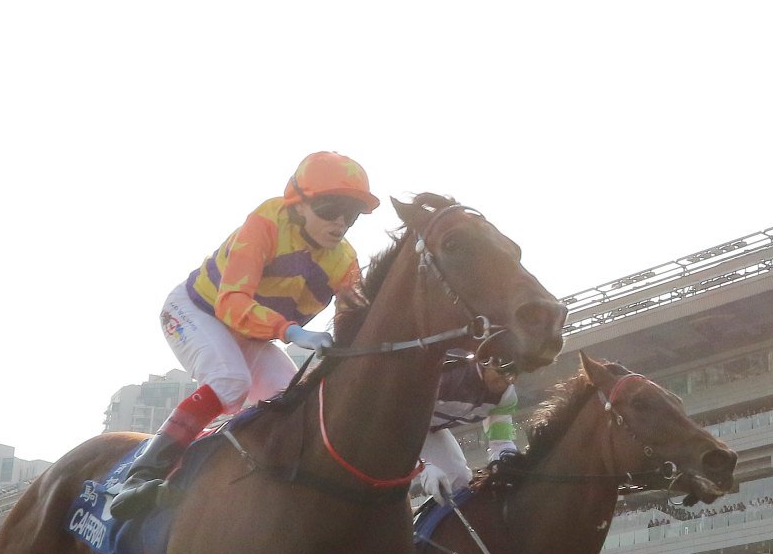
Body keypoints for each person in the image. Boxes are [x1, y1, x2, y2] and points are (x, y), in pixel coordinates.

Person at [110, 152, 380, 518]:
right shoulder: (266, 222)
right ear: (298, 204)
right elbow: (232, 304)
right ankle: (141, 475)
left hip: (251, 336)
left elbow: (360, 318)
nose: (340, 222)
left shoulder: (345, 261)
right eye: (330, 208)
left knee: (299, 404)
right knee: (230, 380)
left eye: (350, 214)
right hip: (197, 311)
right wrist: (292, 331)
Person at [413, 353, 521, 502]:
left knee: (460, 479)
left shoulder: (506, 397)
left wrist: (506, 468)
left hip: (429, 428)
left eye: (511, 377)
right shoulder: (446, 379)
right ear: (486, 362)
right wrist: (423, 467)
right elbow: (395, 421)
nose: (504, 382)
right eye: (501, 373)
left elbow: (501, 443)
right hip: (393, 428)